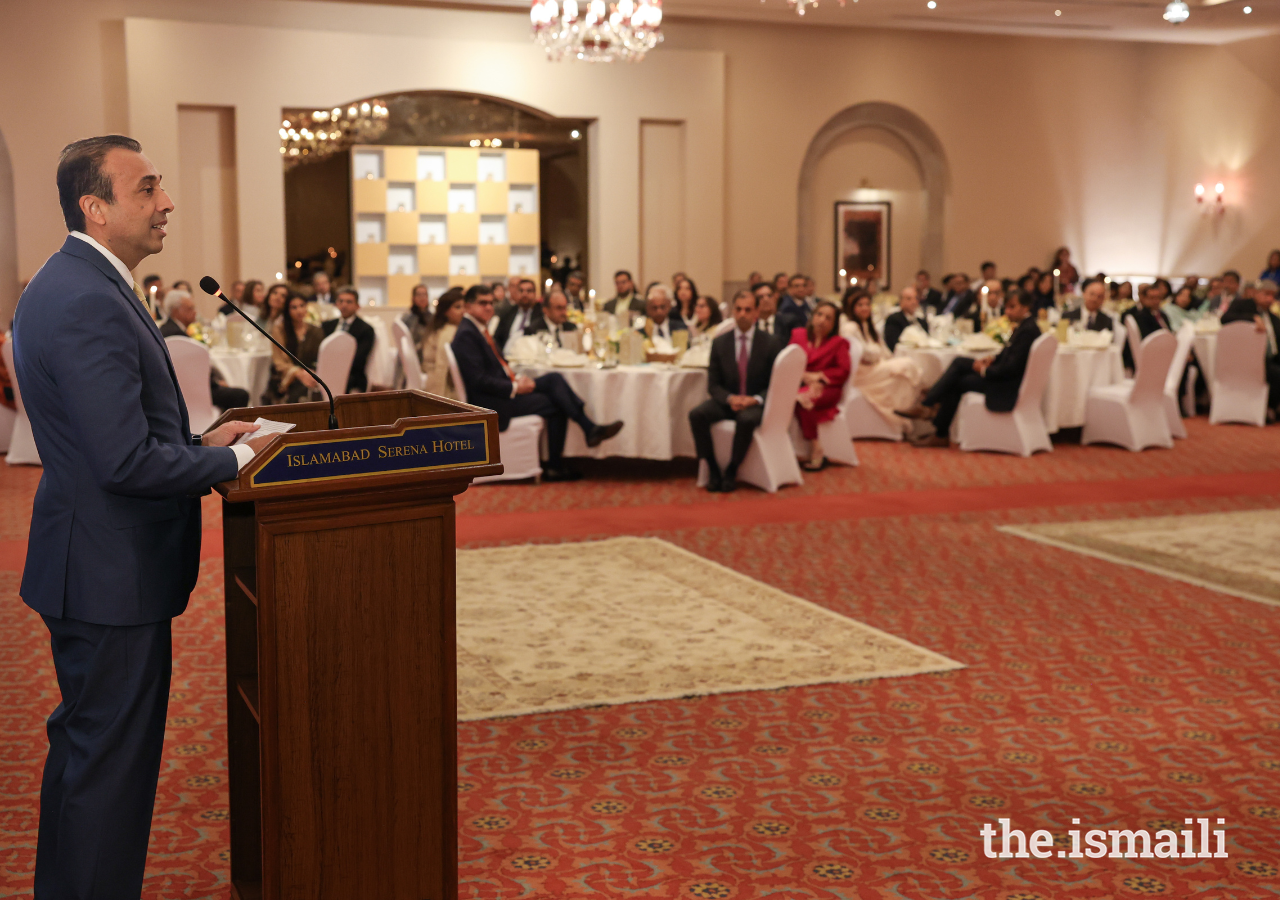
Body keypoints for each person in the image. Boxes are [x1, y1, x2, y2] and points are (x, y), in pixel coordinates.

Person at [11, 134, 272, 898]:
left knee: (88, 756)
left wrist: (198, 441)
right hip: (107, 572)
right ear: (94, 208)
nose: (165, 203)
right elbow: (122, 465)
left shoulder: (78, 282)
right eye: (147, 188)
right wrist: (232, 461)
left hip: (93, 560)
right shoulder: (86, 296)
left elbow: (114, 437)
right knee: (108, 774)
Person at [452, 284, 622, 480]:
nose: (489, 307)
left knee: (554, 380)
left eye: (491, 303)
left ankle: (586, 430)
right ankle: (561, 458)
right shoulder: (467, 334)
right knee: (556, 403)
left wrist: (516, 380)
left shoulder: (477, 329)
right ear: (467, 306)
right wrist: (515, 387)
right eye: (483, 303)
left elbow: (494, 367)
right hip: (492, 404)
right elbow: (478, 381)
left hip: (501, 393)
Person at [897, 288, 1039, 447]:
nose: (1007, 311)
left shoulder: (1027, 331)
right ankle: (931, 408)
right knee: (959, 363)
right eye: (1006, 307)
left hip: (1005, 386)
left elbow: (1012, 368)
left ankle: (932, 412)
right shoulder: (1026, 326)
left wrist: (984, 370)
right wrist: (992, 359)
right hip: (1003, 378)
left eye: (1012, 307)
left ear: (1025, 308)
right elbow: (1009, 354)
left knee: (957, 381)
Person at [689, 289, 783, 493]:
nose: (742, 314)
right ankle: (713, 468)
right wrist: (730, 398)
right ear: (732, 311)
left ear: (756, 313)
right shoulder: (720, 343)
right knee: (697, 415)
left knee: (746, 420)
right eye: (738, 309)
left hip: (755, 402)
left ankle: (732, 469)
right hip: (728, 400)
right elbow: (712, 384)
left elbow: (776, 384)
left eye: (748, 310)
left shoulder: (770, 343)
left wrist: (756, 399)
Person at [844, 289, 924, 436]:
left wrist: (889, 361)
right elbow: (863, 355)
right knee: (907, 364)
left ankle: (903, 415)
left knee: (902, 374)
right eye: (860, 305)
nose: (864, 308)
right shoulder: (850, 327)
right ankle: (923, 394)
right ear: (853, 308)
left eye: (867, 304)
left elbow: (883, 349)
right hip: (863, 372)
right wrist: (880, 356)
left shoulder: (867, 325)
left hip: (875, 366)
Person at [159, 290, 251, 412]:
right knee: (241, 395)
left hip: (179, 389)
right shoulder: (176, 334)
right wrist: (215, 383)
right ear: (176, 311)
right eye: (190, 308)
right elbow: (192, 369)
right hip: (191, 391)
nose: (195, 312)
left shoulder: (166, 329)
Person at [790, 300, 851, 471]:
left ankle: (816, 446)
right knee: (790, 397)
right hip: (799, 382)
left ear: (833, 324)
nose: (822, 320)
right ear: (812, 316)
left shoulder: (838, 343)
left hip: (827, 388)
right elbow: (789, 361)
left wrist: (820, 377)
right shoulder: (798, 335)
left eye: (828, 318)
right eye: (819, 315)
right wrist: (804, 375)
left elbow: (843, 370)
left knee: (802, 399)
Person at [1223, 279, 1280, 415]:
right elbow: (1225, 319)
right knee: (1276, 373)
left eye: (1273, 296)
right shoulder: (1243, 305)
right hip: (1247, 359)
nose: (1270, 299)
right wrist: (1252, 318)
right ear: (1256, 293)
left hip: (1272, 357)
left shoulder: (1273, 318)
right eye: (1266, 294)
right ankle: (1270, 408)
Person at [267, 293, 324, 403]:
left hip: (312, 373)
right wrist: (298, 373)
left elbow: (321, 358)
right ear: (287, 310)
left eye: (302, 306)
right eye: (294, 307)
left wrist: (311, 373)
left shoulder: (315, 331)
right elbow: (278, 361)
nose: (299, 310)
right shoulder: (280, 330)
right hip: (287, 376)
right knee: (301, 390)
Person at [319, 286, 376, 392]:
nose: (344, 305)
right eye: (341, 301)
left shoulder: (365, 329)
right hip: (326, 372)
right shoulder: (327, 326)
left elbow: (359, 359)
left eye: (349, 302)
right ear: (336, 304)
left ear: (357, 306)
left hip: (352, 375)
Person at [494, 278, 545, 354]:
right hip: (508, 357)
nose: (524, 294)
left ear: (535, 294)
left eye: (529, 291)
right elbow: (497, 339)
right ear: (516, 293)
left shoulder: (542, 314)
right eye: (521, 291)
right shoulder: (508, 312)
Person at [635, 283, 687, 350]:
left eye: (662, 307)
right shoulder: (640, 333)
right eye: (655, 307)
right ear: (648, 309)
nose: (659, 311)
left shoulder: (680, 328)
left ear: (669, 306)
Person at [883, 285, 930, 352]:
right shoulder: (894, 320)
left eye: (916, 298)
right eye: (909, 299)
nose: (913, 302)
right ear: (901, 301)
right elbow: (893, 346)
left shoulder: (922, 321)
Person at [401, 283, 432, 357]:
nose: (422, 297)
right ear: (413, 298)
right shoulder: (407, 318)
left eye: (424, 294)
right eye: (419, 295)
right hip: (414, 355)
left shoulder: (432, 317)